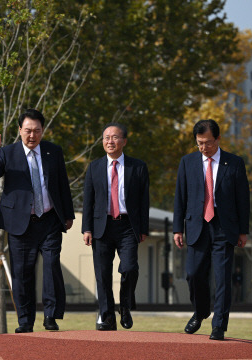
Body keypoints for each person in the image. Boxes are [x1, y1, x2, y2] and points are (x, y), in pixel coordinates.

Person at [0, 109, 75, 333]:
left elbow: (62, 183)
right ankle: (25, 320)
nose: (32, 136)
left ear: (42, 131)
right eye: (28, 131)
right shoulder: (8, 153)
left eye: (37, 131)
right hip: (19, 222)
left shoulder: (53, 152)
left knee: (52, 264)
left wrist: (68, 214)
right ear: (19, 131)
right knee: (22, 272)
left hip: (49, 219)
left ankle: (50, 315)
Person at [173, 119, 250, 341]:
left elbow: (243, 200)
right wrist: (178, 228)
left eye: (207, 142)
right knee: (193, 274)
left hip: (224, 228)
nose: (203, 148)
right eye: (199, 143)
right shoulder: (187, 162)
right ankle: (200, 312)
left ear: (217, 139)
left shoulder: (234, 163)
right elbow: (180, 197)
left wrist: (243, 231)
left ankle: (219, 326)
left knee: (223, 278)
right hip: (196, 226)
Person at [82, 123, 149, 331]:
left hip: (128, 226)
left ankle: (125, 306)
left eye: (114, 137)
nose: (109, 141)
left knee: (130, 268)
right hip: (102, 226)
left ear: (124, 141)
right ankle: (107, 315)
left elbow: (144, 200)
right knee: (102, 274)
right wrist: (87, 229)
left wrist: (143, 228)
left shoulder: (137, 167)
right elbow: (88, 201)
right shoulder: (94, 167)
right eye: (106, 138)